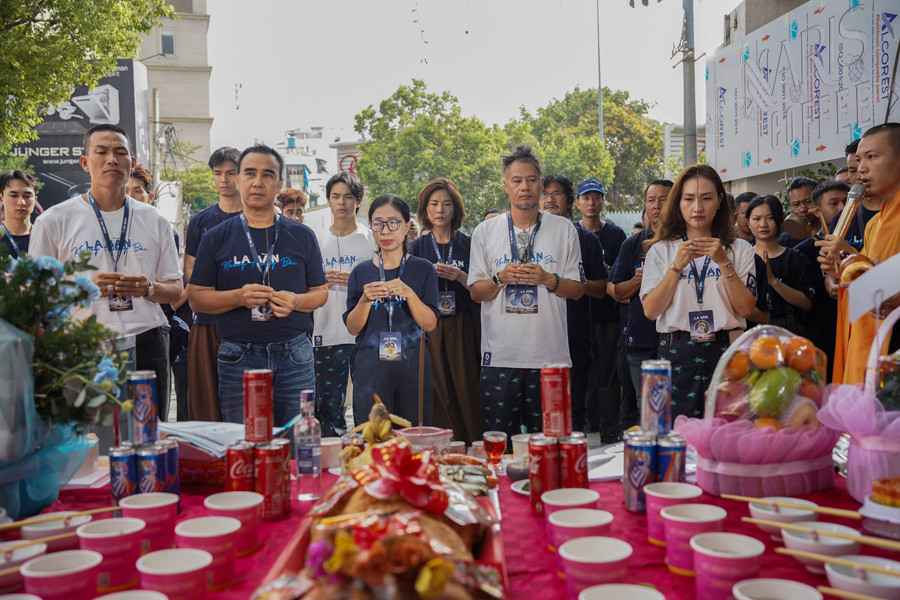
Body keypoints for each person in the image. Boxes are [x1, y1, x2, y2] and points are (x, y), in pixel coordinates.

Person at [30, 124, 183, 427]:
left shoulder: (155, 220)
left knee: (147, 435)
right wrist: (81, 288)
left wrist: (148, 288)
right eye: (101, 152)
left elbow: (176, 289)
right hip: (82, 345)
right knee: (87, 442)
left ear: (133, 162)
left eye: (120, 152)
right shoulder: (53, 221)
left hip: (146, 342)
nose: (112, 159)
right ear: (86, 162)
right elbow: (38, 294)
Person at [188, 144, 329, 426]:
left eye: (267, 175)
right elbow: (196, 298)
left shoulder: (302, 235)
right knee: (246, 446)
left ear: (278, 184)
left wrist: (297, 302)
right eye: (249, 173)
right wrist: (239, 297)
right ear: (238, 179)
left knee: (297, 442)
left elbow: (321, 292)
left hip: (296, 354)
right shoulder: (215, 237)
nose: (257, 182)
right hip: (237, 355)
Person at [468, 146, 585, 438]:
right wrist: (499, 278)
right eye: (517, 180)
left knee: (552, 444)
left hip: (550, 358)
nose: (525, 187)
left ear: (541, 184)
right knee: (500, 447)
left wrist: (548, 279)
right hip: (500, 359)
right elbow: (476, 293)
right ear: (505, 185)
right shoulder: (485, 232)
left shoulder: (564, 229)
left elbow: (578, 290)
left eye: (532, 180)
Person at [641, 164, 757, 418]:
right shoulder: (662, 250)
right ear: (678, 203)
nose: (698, 208)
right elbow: (650, 310)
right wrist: (676, 267)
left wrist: (722, 261)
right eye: (689, 199)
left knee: (726, 435)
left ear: (719, 201)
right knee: (676, 439)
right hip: (676, 352)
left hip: (727, 350)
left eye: (706, 198)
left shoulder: (740, 249)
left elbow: (747, 308)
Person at [345, 194, 439, 426]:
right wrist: (365, 300)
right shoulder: (361, 272)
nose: (385, 231)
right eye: (378, 223)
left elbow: (429, 324)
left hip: (412, 359)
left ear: (407, 226)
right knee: (373, 434)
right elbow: (353, 328)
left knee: (413, 434)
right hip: (370, 361)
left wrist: (409, 294)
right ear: (371, 228)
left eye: (393, 222)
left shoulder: (423, 269)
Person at [821, 124, 900, 385]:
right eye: (859, 160)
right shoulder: (874, 224)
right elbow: (872, 278)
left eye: (872, 157)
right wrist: (845, 267)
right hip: (880, 345)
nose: (862, 169)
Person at [408, 178, 483, 444]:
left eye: (446, 204)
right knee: (437, 391)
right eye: (434, 204)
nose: (440, 210)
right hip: (428, 326)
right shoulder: (415, 249)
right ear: (425, 210)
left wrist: (461, 276)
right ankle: (441, 447)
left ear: (456, 209)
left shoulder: (470, 244)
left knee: (466, 387)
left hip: (462, 324)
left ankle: (473, 445)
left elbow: (483, 290)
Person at [539, 173, 607, 434]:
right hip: (538, 334)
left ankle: (573, 461)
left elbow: (601, 289)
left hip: (574, 333)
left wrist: (568, 285)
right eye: (545, 193)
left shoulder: (586, 239)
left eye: (557, 193)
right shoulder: (527, 239)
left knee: (574, 405)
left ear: (569, 201)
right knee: (542, 406)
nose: (550, 199)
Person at [313, 172, 375, 437]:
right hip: (325, 334)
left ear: (358, 201)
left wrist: (356, 282)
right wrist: (320, 284)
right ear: (328, 200)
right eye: (336, 196)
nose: (342, 203)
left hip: (364, 335)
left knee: (369, 402)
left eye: (348, 197)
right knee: (328, 407)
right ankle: (332, 460)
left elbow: (384, 281)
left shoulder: (371, 239)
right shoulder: (315, 241)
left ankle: (370, 457)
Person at [184, 147, 243, 421]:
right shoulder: (201, 221)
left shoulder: (262, 217)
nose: (224, 180)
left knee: (248, 398)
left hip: (249, 319)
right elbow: (190, 270)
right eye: (218, 173)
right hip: (207, 319)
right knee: (207, 398)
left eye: (231, 173)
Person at [609, 180, 672, 400]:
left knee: (677, 407)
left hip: (677, 339)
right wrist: (638, 280)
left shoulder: (684, 243)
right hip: (642, 341)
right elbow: (617, 292)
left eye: (663, 200)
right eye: (651, 201)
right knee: (648, 407)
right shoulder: (632, 244)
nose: (656, 206)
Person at [575, 178, 626, 442]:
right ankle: (586, 425)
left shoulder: (616, 234)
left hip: (608, 315)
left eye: (596, 197)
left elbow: (618, 273)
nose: (591, 203)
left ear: (602, 201)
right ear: (577, 202)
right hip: (578, 315)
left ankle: (609, 430)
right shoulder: (570, 232)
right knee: (584, 374)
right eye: (586, 197)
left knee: (608, 373)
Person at [796, 181, 848, 381]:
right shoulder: (802, 251)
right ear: (816, 211)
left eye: (846, 201)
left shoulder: (863, 234)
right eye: (834, 203)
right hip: (820, 331)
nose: (843, 208)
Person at [746, 195, 815, 334]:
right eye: (756, 219)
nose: (763, 224)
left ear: (781, 220)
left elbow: (807, 304)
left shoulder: (796, 258)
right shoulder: (742, 258)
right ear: (748, 223)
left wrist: (773, 281)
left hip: (787, 330)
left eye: (770, 218)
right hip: (749, 331)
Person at [829, 140, 882, 253]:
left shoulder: (893, 214)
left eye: (865, 167)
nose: (860, 175)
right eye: (853, 171)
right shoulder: (840, 219)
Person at [0, 170, 37, 258]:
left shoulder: (46, 237)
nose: (21, 202)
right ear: (1, 199)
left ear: (35, 200)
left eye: (27, 196)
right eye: (14, 196)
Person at [779, 177, 819, 248]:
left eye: (808, 201)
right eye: (796, 204)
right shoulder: (785, 242)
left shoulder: (835, 230)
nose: (802, 209)